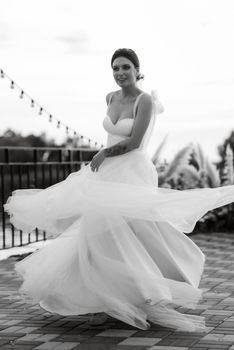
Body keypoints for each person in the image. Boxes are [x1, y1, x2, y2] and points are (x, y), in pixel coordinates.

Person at [4, 48, 234, 332]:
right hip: (107, 173)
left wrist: (104, 153)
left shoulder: (144, 100)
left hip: (132, 171)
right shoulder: (110, 98)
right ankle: (98, 299)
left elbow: (136, 141)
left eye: (125, 67)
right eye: (115, 68)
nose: (120, 73)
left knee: (134, 232)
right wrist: (104, 159)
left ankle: (145, 288)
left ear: (137, 70)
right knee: (97, 233)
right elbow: (112, 132)